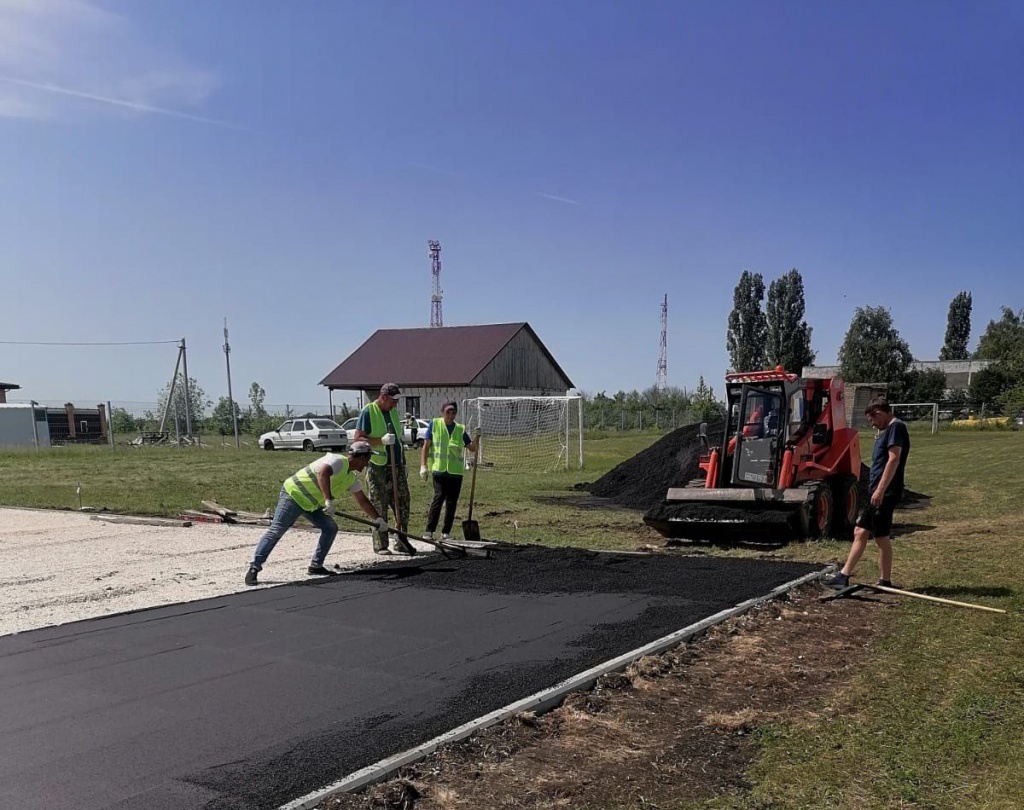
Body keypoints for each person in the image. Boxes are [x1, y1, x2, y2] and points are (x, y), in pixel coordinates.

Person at [244, 440, 387, 586]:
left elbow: (362, 500)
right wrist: (328, 500)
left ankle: (316, 566)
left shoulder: (350, 478)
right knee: (276, 530)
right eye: (367, 459)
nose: (367, 464)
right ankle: (254, 567)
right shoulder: (337, 461)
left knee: (330, 528)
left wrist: (378, 519)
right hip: (293, 495)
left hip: (310, 505)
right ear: (361, 457)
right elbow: (322, 472)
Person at [826, 397, 910, 590]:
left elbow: (893, 460)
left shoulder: (895, 429)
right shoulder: (888, 430)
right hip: (881, 490)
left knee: (863, 531)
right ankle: (884, 580)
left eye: (873, 420)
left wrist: (880, 489)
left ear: (879, 413)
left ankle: (844, 576)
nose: (872, 425)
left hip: (885, 491)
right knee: (878, 534)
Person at [354, 383, 416, 555]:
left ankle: (401, 540)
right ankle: (381, 544)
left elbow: (398, 439)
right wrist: (380, 441)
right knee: (378, 504)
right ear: (383, 397)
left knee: (403, 502)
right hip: (378, 466)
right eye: (392, 400)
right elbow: (358, 439)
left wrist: (402, 463)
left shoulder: (394, 412)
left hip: (396, 465)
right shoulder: (368, 412)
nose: (395, 404)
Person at [418, 400, 480, 541]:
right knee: (438, 499)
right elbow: (426, 446)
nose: (451, 415)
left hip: (455, 473)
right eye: (448, 412)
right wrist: (423, 465)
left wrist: (477, 437)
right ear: (442, 412)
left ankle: (446, 532)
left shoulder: (459, 429)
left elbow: (471, 448)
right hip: (439, 470)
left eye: (453, 412)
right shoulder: (434, 425)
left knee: (452, 502)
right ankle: (429, 531)